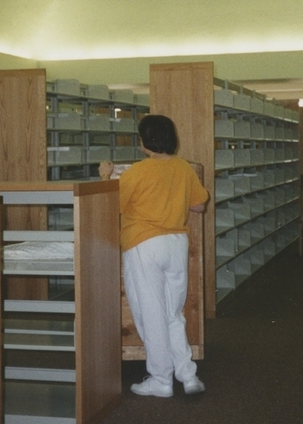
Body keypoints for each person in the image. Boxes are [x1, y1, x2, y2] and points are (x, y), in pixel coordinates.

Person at [99, 114, 209, 398]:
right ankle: (187, 375)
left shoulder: (137, 172)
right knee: (173, 312)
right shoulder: (183, 167)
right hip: (176, 243)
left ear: (143, 142)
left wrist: (105, 176)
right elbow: (199, 206)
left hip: (144, 245)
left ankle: (161, 380)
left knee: (151, 314)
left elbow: (109, 205)